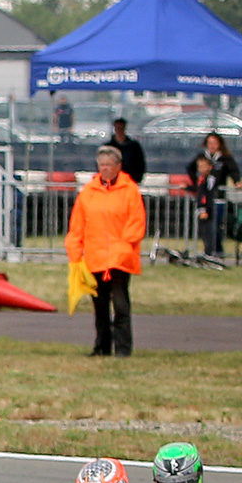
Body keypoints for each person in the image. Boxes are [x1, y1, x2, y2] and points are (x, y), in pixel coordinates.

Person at [66, 145, 146, 358]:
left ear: (119, 166)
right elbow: (77, 227)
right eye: (102, 165)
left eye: (109, 165)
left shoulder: (130, 191)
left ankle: (122, 348)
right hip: (95, 258)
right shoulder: (88, 193)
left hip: (120, 259)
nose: (105, 169)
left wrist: (123, 247)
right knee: (99, 306)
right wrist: (75, 254)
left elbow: (136, 223)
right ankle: (102, 346)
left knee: (120, 305)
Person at [186, 133, 242, 257]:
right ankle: (209, 251)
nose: (212, 146)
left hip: (219, 198)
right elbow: (190, 168)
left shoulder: (225, 158)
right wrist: (195, 182)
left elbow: (233, 170)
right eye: (210, 143)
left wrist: (237, 181)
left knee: (217, 226)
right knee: (206, 227)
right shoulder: (202, 157)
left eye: (215, 143)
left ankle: (217, 250)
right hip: (206, 199)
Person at [191, 154, 219, 254]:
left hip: (207, 210)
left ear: (210, 167)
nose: (201, 169)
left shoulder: (210, 180)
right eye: (199, 166)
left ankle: (210, 252)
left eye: (203, 166)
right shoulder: (201, 179)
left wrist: (204, 209)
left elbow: (207, 195)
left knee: (208, 232)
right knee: (203, 232)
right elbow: (199, 191)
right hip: (202, 209)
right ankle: (206, 251)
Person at [111, 119, 147, 185]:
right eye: (117, 128)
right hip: (112, 182)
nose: (119, 130)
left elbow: (140, 164)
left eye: (121, 128)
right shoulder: (108, 147)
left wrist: (137, 179)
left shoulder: (134, 147)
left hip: (130, 181)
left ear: (125, 128)